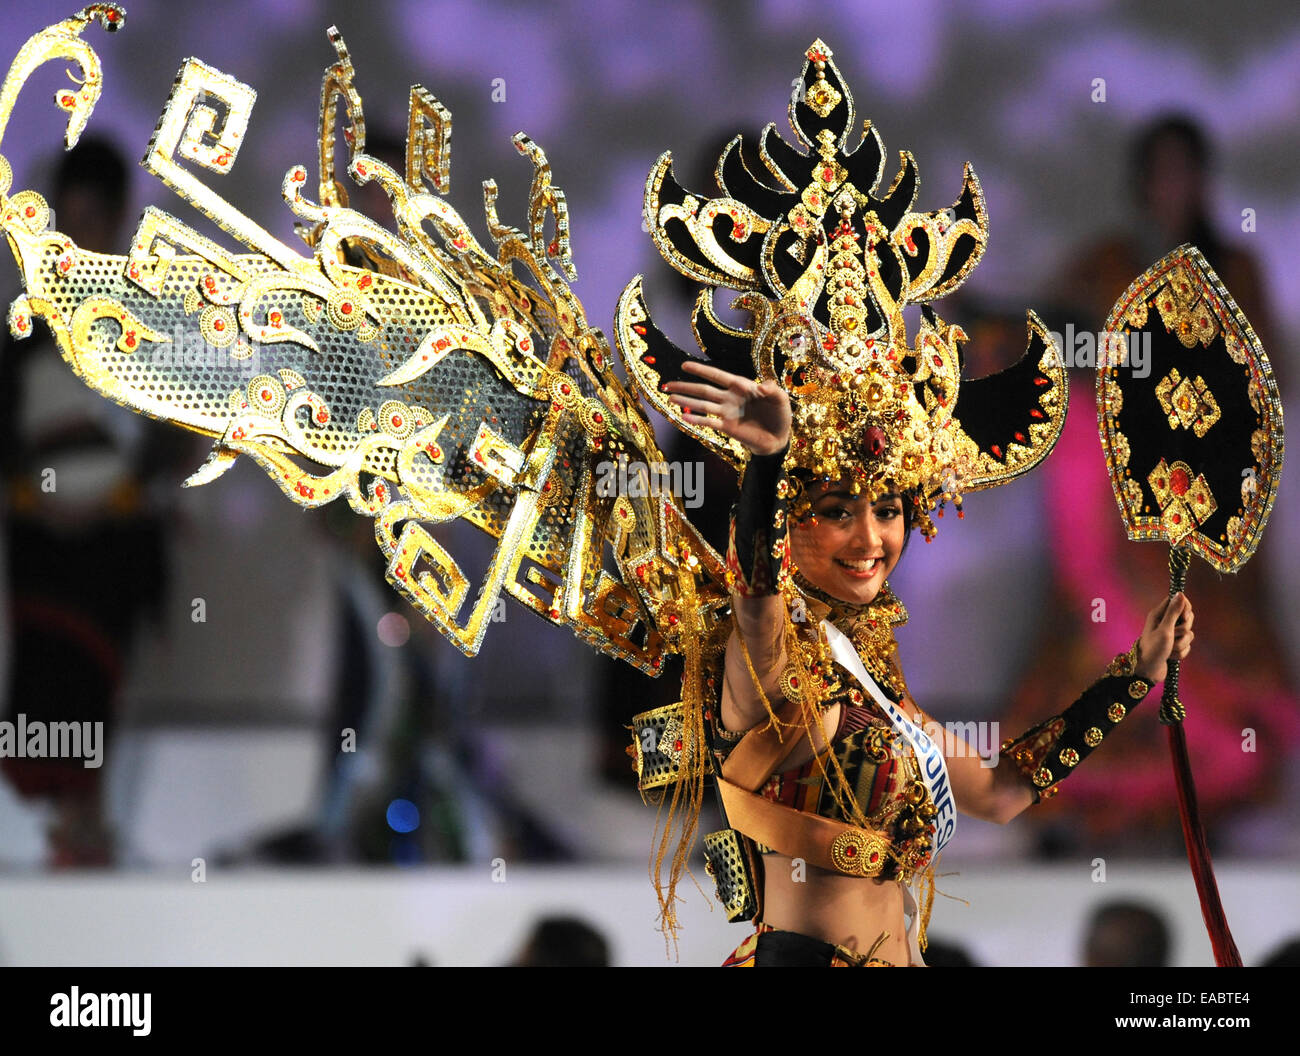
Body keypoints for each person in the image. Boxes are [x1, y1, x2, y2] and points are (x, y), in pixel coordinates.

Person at [661, 360, 1194, 967]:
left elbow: (1001, 793)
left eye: (886, 511)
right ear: (789, 520)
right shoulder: (768, 664)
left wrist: (1135, 677)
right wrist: (768, 463)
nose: (870, 541)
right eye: (837, 511)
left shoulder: (875, 684)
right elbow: (756, 599)